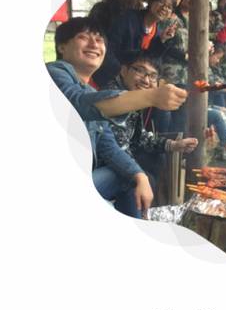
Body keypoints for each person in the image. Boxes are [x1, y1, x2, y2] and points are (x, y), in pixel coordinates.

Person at [47, 18, 187, 218]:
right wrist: (151, 96)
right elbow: (77, 104)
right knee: (124, 176)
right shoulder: (53, 72)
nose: (94, 44)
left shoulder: (90, 91)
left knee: (135, 176)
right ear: (62, 46)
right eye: (83, 37)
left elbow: (108, 146)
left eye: (99, 39)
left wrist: (139, 175)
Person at [107, 51, 197, 183]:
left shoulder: (135, 96)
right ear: (124, 71)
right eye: (140, 71)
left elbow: (140, 136)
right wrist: (139, 176)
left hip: (124, 154)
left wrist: (173, 145)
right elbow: (115, 149)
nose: (146, 80)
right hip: (105, 163)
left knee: (158, 159)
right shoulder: (113, 96)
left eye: (153, 76)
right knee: (148, 179)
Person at [93, 0, 175, 87]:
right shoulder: (128, 18)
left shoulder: (157, 32)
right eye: (161, 2)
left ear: (170, 14)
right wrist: (120, 73)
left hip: (133, 80)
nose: (164, 8)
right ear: (151, 2)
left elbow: (150, 60)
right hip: (110, 75)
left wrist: (162, 40)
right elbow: (109, 47)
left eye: (169, 7)